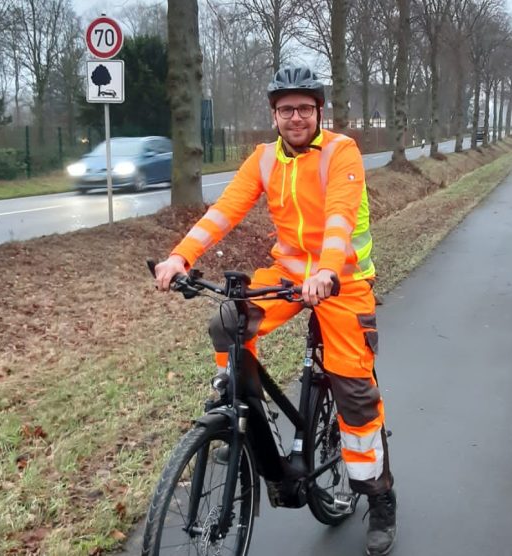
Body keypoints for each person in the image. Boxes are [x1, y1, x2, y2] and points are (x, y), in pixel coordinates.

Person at [154, 63, 396, 555]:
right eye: (287, 109)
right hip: (287, 278)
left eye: (305, 108)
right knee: (227, 321)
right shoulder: (264, 159)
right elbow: (225, 210)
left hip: (342, 281)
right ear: (275, 115)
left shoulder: (340, 152)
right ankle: (239, 411)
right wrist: (181, 255)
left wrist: (327, 270)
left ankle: (379, 496)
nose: (296, 117)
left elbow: (339, 217)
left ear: (318, 112)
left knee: (354, 394)